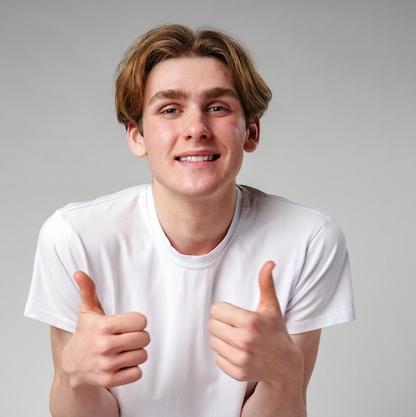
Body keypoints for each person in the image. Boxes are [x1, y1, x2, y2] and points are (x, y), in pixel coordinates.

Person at [25, 24, 355, 417]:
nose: (196, 129)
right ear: (137, 136)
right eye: (170, 110)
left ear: (251, 130)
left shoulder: (308, 239)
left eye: (217, 107)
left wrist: (284, 375)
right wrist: (73, 376)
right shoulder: (74, 238)